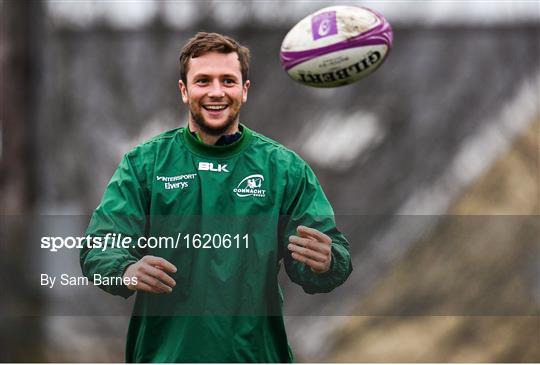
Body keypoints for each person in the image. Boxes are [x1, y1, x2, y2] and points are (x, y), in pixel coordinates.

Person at [81, 32, 352, 362]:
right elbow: (100, 246)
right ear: (184, 91)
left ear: (244, 90)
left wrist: (326, 262)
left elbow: (327, 255)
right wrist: (125, 269)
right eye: (203, 81)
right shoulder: (145, 165)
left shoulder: (283, 168)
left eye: (228, 80)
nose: (216, 92)